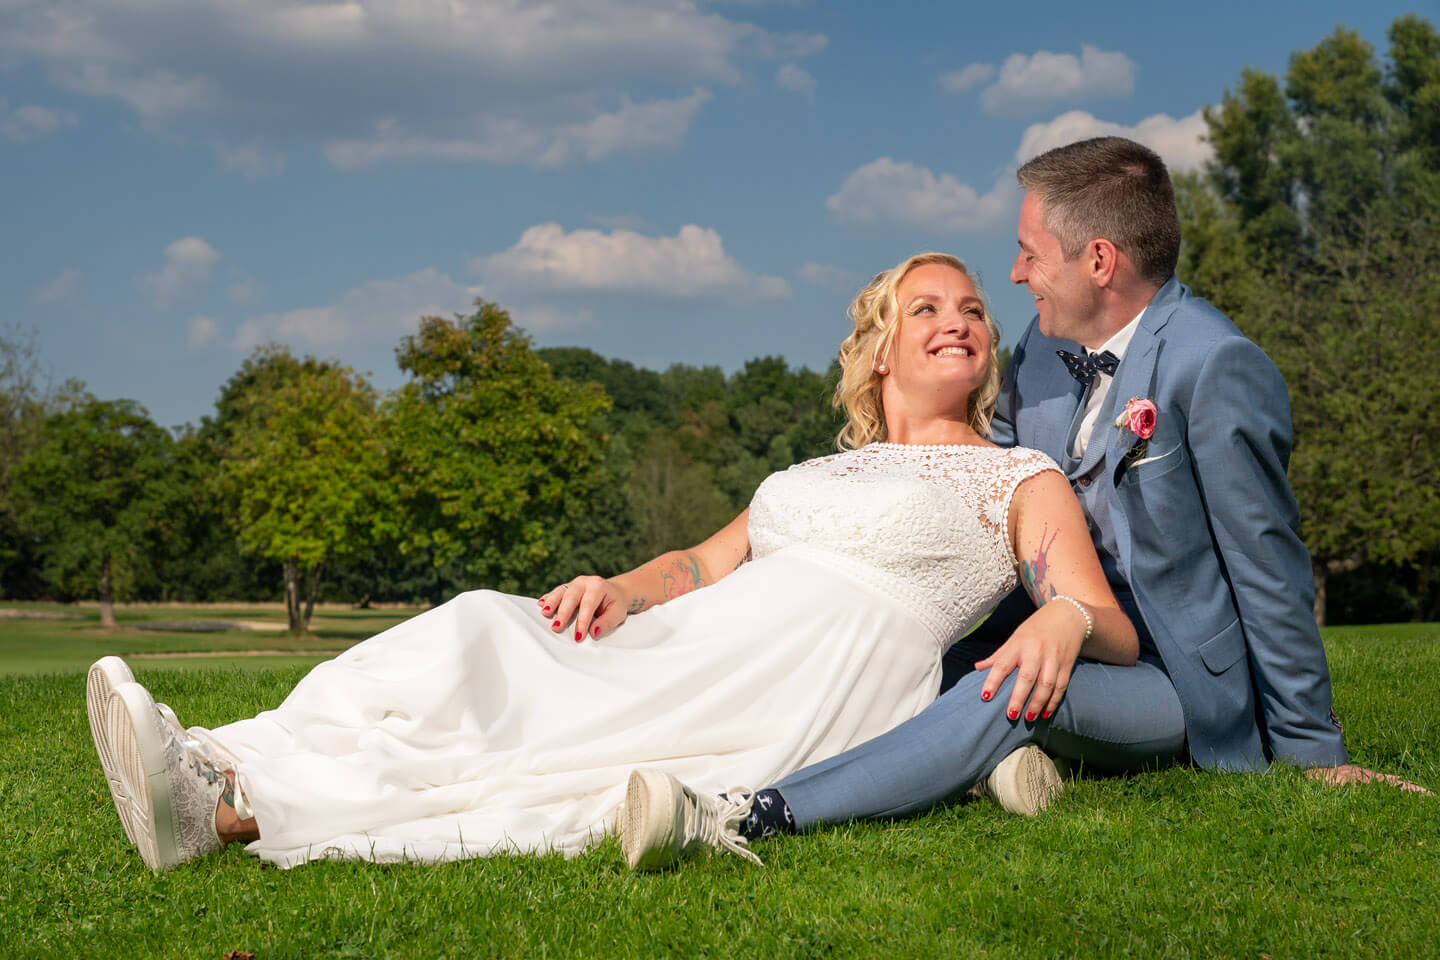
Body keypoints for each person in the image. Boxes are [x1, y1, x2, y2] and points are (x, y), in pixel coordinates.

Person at [86, 252, 1140, 871]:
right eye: (930, 309)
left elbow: (1109, 622)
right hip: (709, 627)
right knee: (488, 626)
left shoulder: (1017, 477)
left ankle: (225, 807)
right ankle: (214, 762)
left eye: (973, 312)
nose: (958, 322)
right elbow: (703, 560)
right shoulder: (822, 471)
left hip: (816, 667)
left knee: (547, 743)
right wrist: (619, 588)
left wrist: (1063, 618)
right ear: (878, 349)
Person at [622, 136, 1425, 872]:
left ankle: (755, 816)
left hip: (1168, 673)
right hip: (1046, 624)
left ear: (1100, 260)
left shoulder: (1213, 366)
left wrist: (1313, 748)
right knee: (896, 667)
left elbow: (1267, 564)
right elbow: (983, 492)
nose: (1013, 275)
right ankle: (969, 765)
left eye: (1028, 253)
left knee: (1007, 682)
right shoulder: (1043, 350)